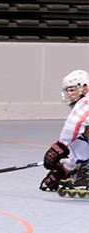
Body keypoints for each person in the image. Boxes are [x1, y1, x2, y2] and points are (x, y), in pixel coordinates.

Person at [40, 70, 89, 198]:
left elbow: (75, 124)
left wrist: (58, 148)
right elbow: (80, 147)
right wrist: (64, 170)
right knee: (80, 135)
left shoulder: (86, 101)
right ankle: (83, 171)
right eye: (67, 90)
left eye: (72, 90)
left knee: (80, 131)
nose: (69, 94)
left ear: (84, 87)